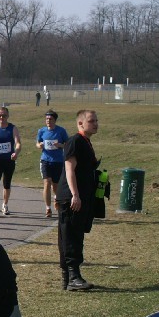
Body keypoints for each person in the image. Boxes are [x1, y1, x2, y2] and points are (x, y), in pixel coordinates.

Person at [55, 109, 100, 291]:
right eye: (91, 121)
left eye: (96, 120)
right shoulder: (74, 141)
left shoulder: (86, 142)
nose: (96, 123)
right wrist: (75, 194)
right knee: (70, 235)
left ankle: (69, 279)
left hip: (81, 197)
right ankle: (73, 277)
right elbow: (69, 170)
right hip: (71, 198)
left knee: (76, 234)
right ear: (80, 123)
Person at [36, 110, 69, 217]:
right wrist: (39, 145)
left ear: (55, 120)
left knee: (56, 186)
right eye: (46, 119)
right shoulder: (42, 131)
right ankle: (48, 208)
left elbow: (68, 145)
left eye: (50, 119)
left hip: (58, 161)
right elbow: (37, 143)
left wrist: (60, 145)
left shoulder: (61, 131)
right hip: (45, 160)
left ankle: (56, 199)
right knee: (47, 182)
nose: (48, 121)